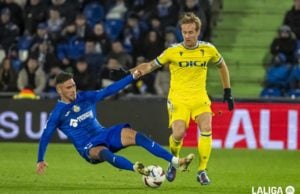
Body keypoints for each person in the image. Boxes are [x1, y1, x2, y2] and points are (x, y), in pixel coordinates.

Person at [133, 12, 234, 185]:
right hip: (178, 99)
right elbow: (151, 65)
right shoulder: (173, 51)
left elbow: (222, 66)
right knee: (179, 133)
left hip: (199, 98)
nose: (187, 36)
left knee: (207, 127)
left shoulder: (208, 49)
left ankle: (202, 170)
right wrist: (133, 73)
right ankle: (174, 160)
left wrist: (227, 91)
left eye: (191, 32)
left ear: (198, 32)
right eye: (184, 32)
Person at [36, 71, 194, 178]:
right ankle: (137, 168)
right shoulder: (57, 114)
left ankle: (176, 162)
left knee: (135, 135)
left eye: (74, 85)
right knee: (103, 151)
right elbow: (45, 136)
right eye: (68, 87)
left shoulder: (85, 97)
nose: (73, 90)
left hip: (104, 134)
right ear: (59, 90)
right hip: (88, 147)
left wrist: (132, 77)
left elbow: (109, 90)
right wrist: (40, 159)